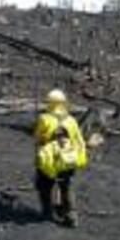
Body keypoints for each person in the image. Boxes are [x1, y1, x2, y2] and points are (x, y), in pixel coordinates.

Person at [34, 89, 87, 227]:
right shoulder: (71, 120)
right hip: (68, 159)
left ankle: (47, 213)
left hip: (50, 161)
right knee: (67, 186)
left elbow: (38, 138)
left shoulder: (44, 119)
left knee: (45, 186)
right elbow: (78, 140)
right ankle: (71, 215)